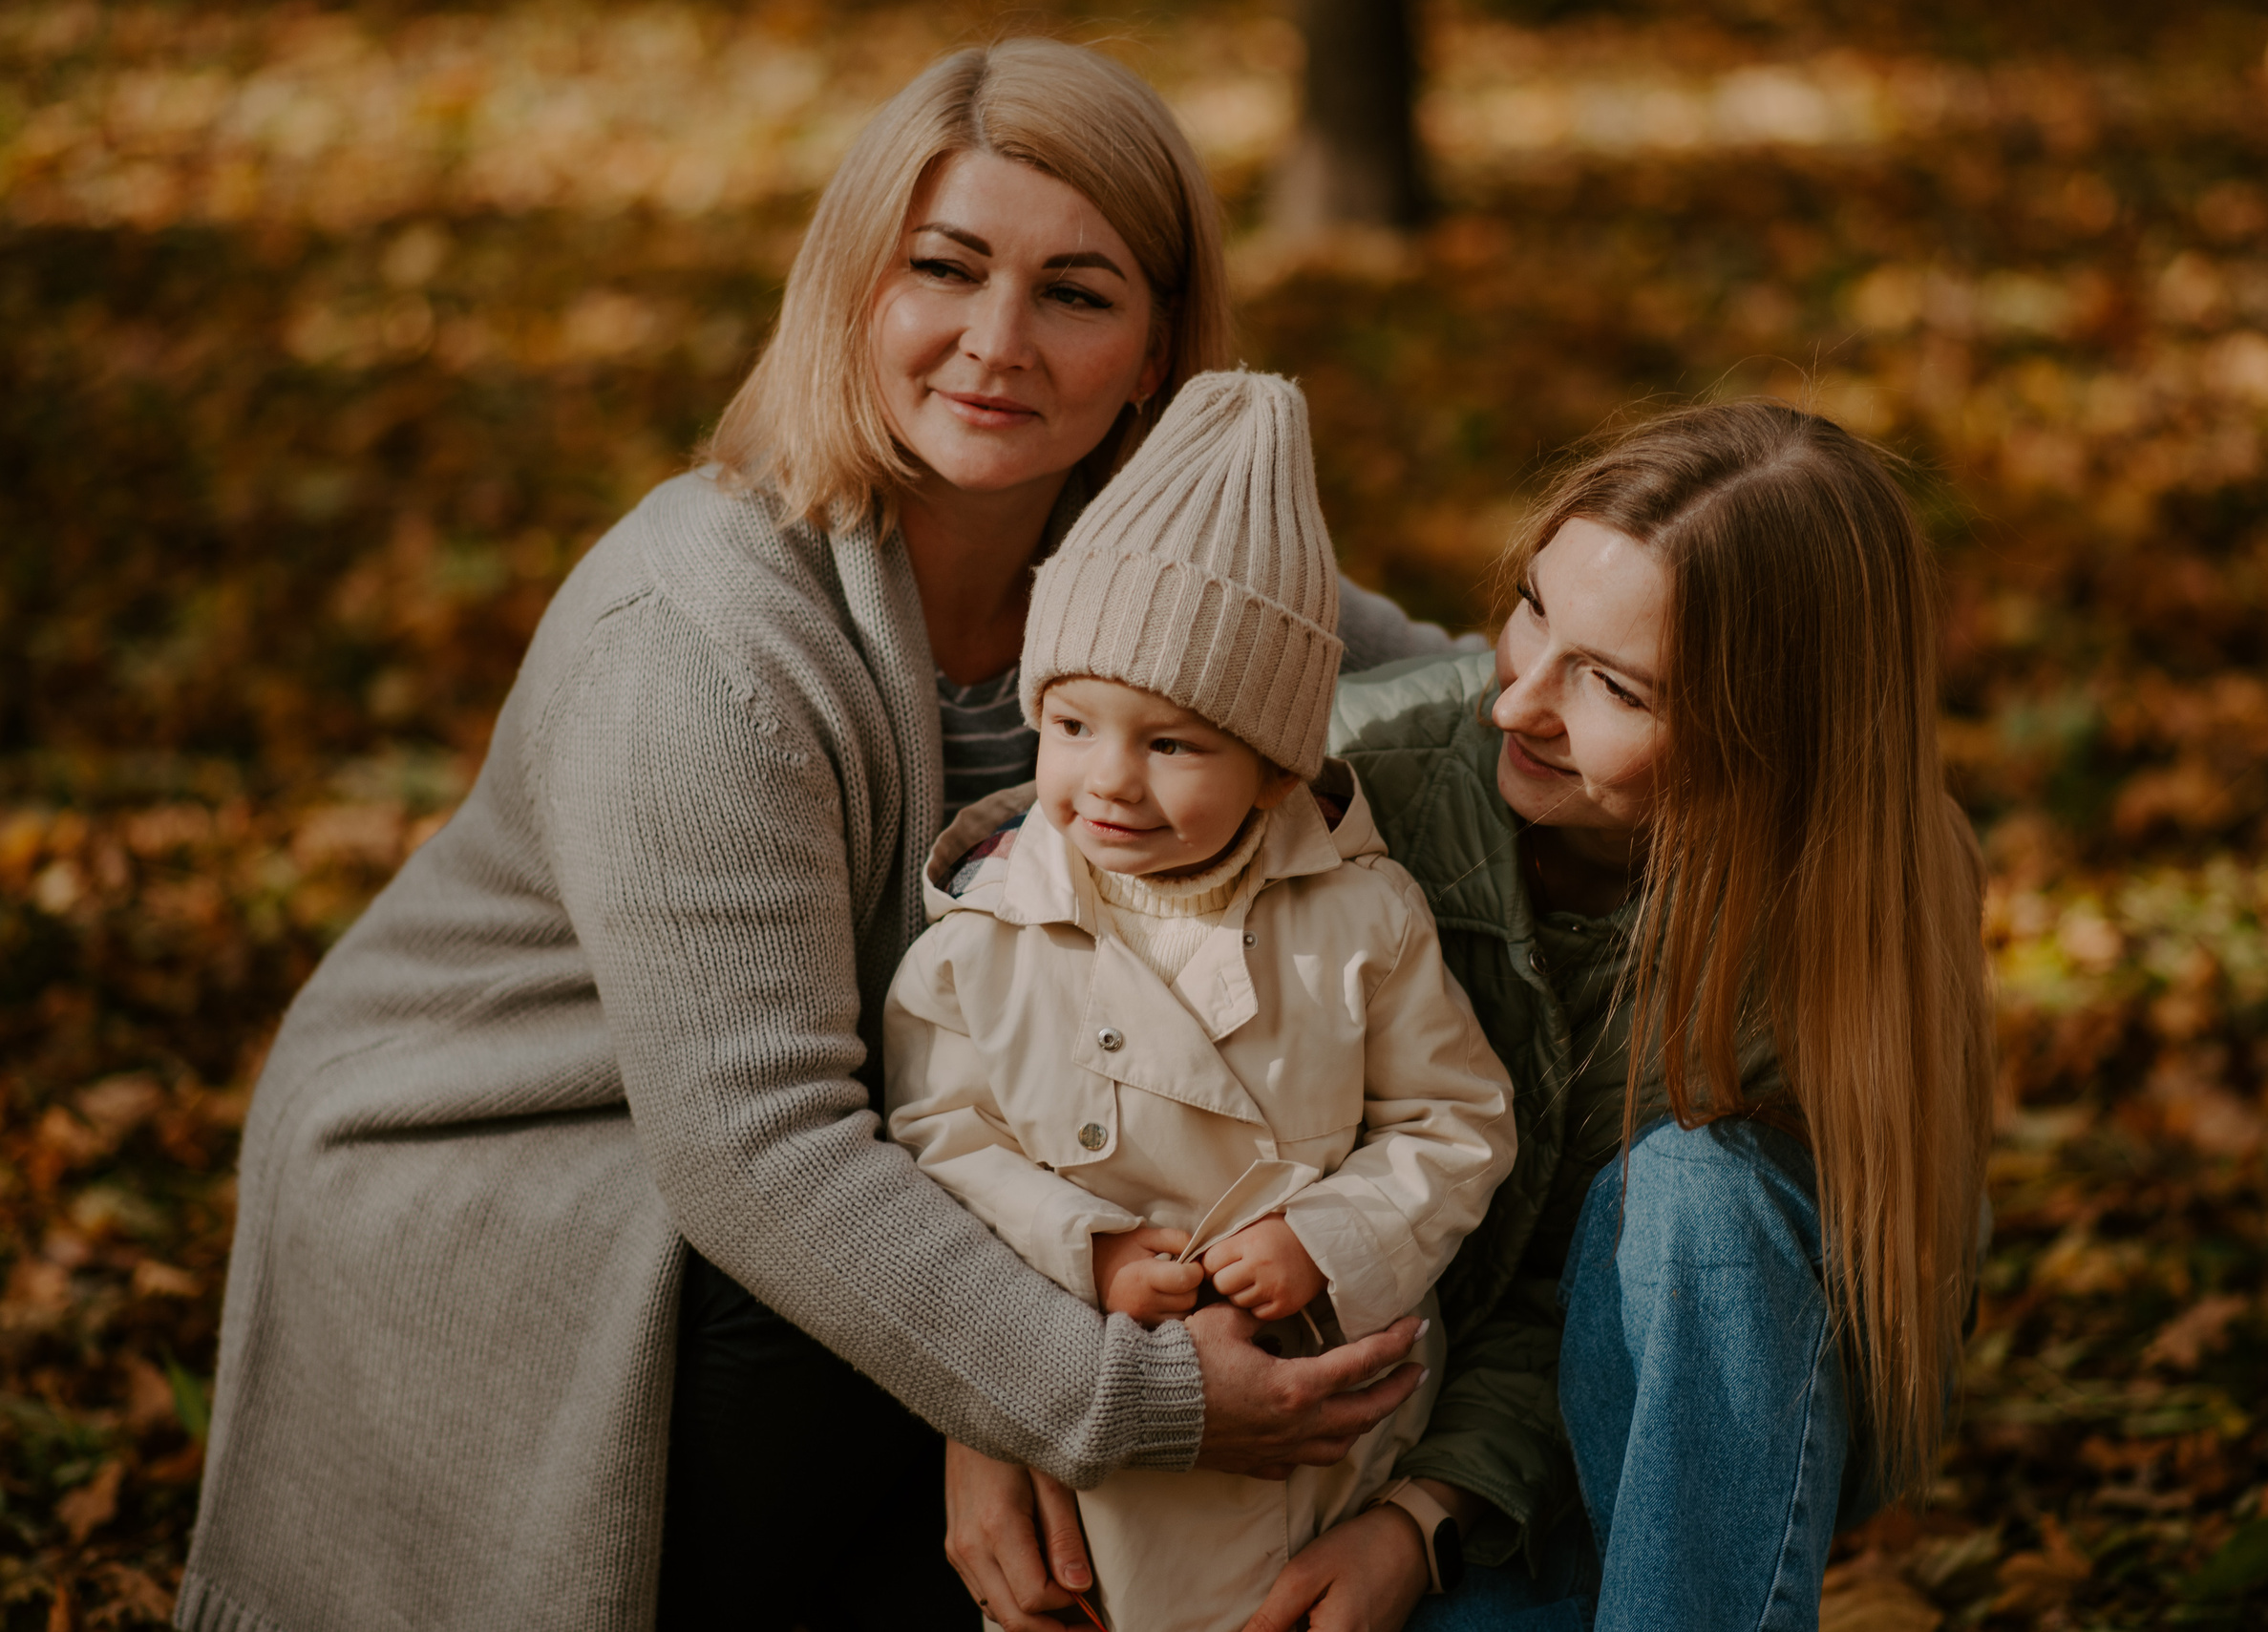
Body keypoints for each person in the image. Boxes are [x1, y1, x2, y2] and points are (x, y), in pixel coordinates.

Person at [176, 40, 1470, 1632]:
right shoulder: (700, 641)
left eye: (1076, 291)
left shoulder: (1150, 585)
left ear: (1154, 354)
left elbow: (1453, 701)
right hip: (530, 1163)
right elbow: (760, 1151)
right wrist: (1093, 1395)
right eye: (945, 267)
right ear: (855, 287)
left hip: (896, 1163)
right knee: (787, 1317)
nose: (998, 344)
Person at [946, 400, 1995, 1632]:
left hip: (1649, 1457)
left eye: (1610, 686)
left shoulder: (1845, 918)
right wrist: (1003, 1396)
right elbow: (1030, 933)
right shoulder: (1351, 788)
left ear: (1771, 740)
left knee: (1699, 1195)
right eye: (1535, 611)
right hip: (1356, 1441)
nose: (1517, 702)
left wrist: (1428, 1518)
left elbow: (1703, 1322)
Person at [885, 370, 1516, 1632]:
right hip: (1101, 1426)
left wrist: (1328, 1241)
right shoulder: (987, 929)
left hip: (1320, 1434)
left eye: (1173, 743)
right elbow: (941, 1145)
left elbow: (1458, 1123)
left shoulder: (1358, 916)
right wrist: (1092, 1247)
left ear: (1278, 763)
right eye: (1071, 722)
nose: (1109, 780)